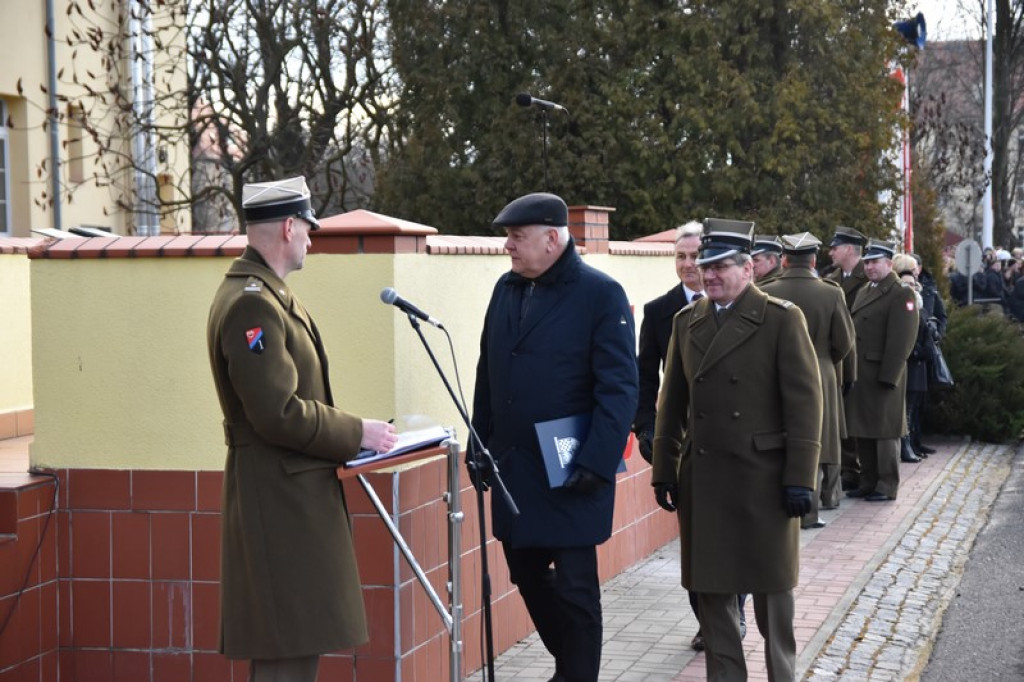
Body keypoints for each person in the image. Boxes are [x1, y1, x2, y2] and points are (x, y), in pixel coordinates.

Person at [207, 176, 398, 681]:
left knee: (295, 645)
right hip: (278, 498)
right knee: (284, 653)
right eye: (308, 228)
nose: (312, 239)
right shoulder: (253, 303)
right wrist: (358, 432)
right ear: (289, 227)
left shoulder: (266, 295)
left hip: (286, 493)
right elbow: (278, 412)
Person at [470, 192, 638, 682]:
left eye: (517, 237)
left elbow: (620, 387)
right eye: (508, 238)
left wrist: (597, 461)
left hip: (572, 469)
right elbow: (489, 371)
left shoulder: (599, 293)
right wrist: (479, 442)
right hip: (515, 467)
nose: (508, 247)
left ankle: (576, 675)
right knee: (524, 572)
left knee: (575, 588)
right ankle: (571, 666)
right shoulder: (506, 289)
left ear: (552, 237)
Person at [652, 219, 822, 682]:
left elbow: (805, 406)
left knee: (773, 598)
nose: (708, 276)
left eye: (719, 267)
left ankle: (782, 676)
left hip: (765, 481)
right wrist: (664, 468)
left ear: (748, 269)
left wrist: (800, 478)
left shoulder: (782, 319)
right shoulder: (686, 322)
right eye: (703, 267)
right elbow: (673, 403)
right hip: (706, 483)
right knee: (714, 599)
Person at [632, 221, 746, 652]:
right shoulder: (661, 312)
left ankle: (735, 607)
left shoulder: (740, 306)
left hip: (734, 441)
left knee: (735, 534)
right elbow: (644, 376)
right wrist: (645, 426)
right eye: (680, 257)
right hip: (684, 439)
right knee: (696, 538)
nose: (688, 265)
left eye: (695, 257)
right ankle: (709, 620)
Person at [762, 232, 855, 527]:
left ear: (785, 260)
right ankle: (812, 510)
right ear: (814, 260)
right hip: (822, 371)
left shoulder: (766, 290)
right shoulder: (831, 292)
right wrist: (827, 360)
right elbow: (845, 341)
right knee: (817, 439)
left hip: (775, 373)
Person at [844, 241, 919, 502]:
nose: (870, 266)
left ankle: (886, 485)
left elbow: (903, 339)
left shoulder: (900, 293)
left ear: (889, 263)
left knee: (885, 431)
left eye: (875, 262)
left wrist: (890, 375)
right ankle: (868, 480)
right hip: (862, 372)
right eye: (867, 262)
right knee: (863, 429)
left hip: (884, 372)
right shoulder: (866, 289)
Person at [824, 225, 869, 493]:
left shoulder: (868, 276)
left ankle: (856, 469)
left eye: (836, 247)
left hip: (859, 356)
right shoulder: (832, 278)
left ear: (849, 250)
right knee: (840, 416)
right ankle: (847, 469)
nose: (831, 252)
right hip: (836, 355)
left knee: (856, 417)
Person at [892, 254, 930, 465]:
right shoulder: (904, 302)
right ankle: (905, 446)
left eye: (914, 282)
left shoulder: (919, 303)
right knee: (904, 410)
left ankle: (911, 443)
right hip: (908, 361)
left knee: (913, 408)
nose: (912, 284)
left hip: (918, 362)